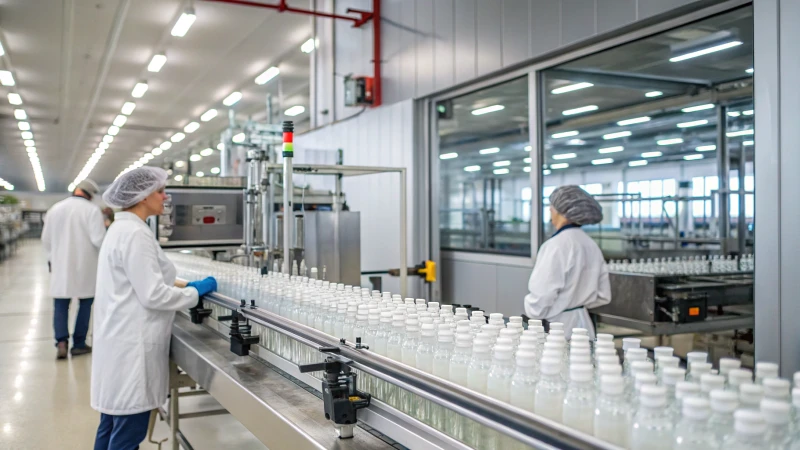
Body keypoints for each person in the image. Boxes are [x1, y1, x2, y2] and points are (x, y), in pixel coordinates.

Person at [91, 167, 217, 450]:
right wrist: (195, 293)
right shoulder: (135, 234)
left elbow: (148, 275)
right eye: (160, 191)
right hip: (131, 350)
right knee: (127, 435)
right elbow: (153, 295)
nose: (165, 196)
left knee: (110, 425)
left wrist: (185, 283)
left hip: (117, 343)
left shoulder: (123, 229)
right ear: (142, 196)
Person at [524, 185, 611, 339]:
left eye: (552, 206)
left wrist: (533, 314)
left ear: (563, 211)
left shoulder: (556, 245)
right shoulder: (590, 245)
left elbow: (541, 295)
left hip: (557, 329)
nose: (550, 210)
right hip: (584, 325)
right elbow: (603, 294)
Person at [41, 178, 107, 359]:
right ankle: (79, 344)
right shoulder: (92, 210)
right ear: (90, 195)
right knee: (85, 304)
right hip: (86, 266)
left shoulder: (55, 209)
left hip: (60, 266)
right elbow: (98, 240)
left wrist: (52, 257)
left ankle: (61, 342)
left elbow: (45, 240)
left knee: (61, 304)